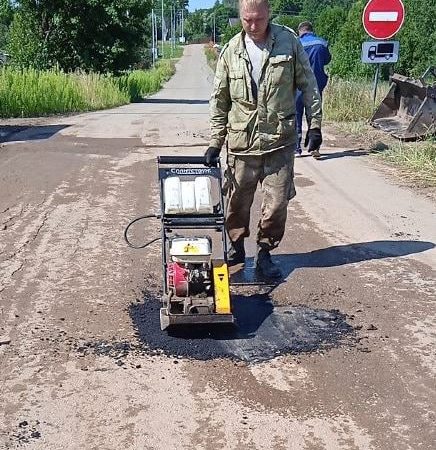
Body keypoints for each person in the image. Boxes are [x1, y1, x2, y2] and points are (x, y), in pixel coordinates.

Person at [204, 0, 322, 279]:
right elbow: (219, 100)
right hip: (242, 145)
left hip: (279, 142)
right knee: (236, 203)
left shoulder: (289, 42)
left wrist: (315, 125)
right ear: (240, 17)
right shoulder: (231, 50)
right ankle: (236, 246)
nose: (253, 26)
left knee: (277, 203)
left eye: (258, 19)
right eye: (247, 20)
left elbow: (309, 84)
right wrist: (214, 142)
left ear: (268, 13)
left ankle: (266, 252)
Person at [295, 21, 331, 157]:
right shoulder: (322, 43)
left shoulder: (296, 43)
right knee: (314, 114)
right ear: (311, 30)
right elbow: (327, 60)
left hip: (298, 85)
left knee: (297, 114)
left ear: (300, 31)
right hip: (317, 84)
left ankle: (296, 148)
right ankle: (315, 147)